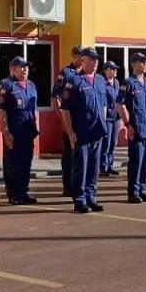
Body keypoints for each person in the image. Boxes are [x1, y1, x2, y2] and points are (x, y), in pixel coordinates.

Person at [60, 48, 109, 213]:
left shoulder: (101, 80)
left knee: (94, 168)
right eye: (91, 59)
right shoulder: (73, 81)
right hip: (81, 131)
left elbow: (103, 105)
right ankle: (79, 199)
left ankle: (91, 197)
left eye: (97, 59)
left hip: (97, 131)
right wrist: (70, 132)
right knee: (81, 167)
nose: (95, 62)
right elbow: (65, 110)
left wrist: (103, 125)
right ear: (82, 61)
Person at [0, 56, 39, 205]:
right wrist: (5, 131)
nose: (25, 69)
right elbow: (1, 110)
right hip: (14, 131)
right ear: (13, 69)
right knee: (13, 164)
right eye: (21, 67)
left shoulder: (31, 85)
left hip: (28, 131)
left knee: (26, 164)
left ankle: (23, 192)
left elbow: (33, 109)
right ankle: (13, 194)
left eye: (26, 67)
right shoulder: (6, 85)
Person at [117, 52, 146, 203]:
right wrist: (127, 124)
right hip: (137, 127)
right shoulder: (128, 83)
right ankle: (133, 192)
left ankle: (142, 189)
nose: (145, 64)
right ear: (133, 64)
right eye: (141, 62)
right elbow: (119, 104)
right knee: (136, 161)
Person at [51, 45, 84, 197]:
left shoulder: (86, 74)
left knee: (81, 156)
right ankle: (68, 187)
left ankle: (80, 186)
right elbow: (55, 97)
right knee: (69, 156)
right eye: (79, 56)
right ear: (74, 56)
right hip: (68, 121)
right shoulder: (66, 73)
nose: (82, 59)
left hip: (83, 124)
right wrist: (62, 119)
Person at [100, 60, 122, 177]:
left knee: (113, 143)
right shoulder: (103, 83)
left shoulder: (116, 83)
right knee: (106, 143)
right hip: (107, 117)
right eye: (112, 69)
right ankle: (103, 167)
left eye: (115, 69)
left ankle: (110, 166)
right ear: (105, 70)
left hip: (116, 117)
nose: (114, 71)